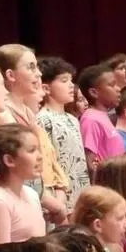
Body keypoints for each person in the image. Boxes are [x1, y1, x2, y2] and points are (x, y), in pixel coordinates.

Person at [0, 44, 70, 220]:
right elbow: (17, 168)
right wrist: (50, 202)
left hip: (37, 198)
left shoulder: (27, 112)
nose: (39, 73)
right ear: (11, 75)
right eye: (31, 67)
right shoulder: (4, 115)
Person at [0, 124, 47, 243]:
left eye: (38, 149)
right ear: (9, 160)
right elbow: (1, 251)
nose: (40, 156)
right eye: (32, 150)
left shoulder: (31, 193)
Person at [37, 56, 90, 211]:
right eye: (64, 80)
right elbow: (48, 162)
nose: (71, 85)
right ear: (46, 88)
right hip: (61, 196)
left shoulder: (72, 119)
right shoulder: (43, 119)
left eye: (71, 80)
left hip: (80, 192)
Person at [77, 64, 124, 173]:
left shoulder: (102, 116)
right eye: (112, 85)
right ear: (94, 92)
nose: (118, 89)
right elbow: (90, 163)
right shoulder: (91, 119)